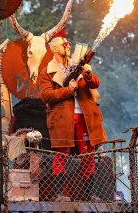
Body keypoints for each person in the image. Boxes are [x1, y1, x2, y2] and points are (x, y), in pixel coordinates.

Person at [37, 29, 107, 202]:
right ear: (54, 48)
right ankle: (59, 195)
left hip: (85, 116)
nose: (68, 45)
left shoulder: (78, 64)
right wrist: (69, 90)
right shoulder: (47, 71)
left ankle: (90, 194)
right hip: (62, 118)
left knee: (88, 155)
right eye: (64, 43)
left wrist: (88, 73)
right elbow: (46, 95)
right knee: (61, 154)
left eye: (68, 43)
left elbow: (95, 83)